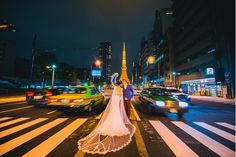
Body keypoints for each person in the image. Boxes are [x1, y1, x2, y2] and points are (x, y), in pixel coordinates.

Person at [77, 73, 136, 154]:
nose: (123, 82)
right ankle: (116, 124)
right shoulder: (120, 89)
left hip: (114, 104)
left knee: (113, 114)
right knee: (117, 115)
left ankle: (111, 123)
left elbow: (113, 83)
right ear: (121, 83)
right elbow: (119, 97)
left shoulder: (116, 87)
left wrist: (113, 76)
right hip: (118, 103)